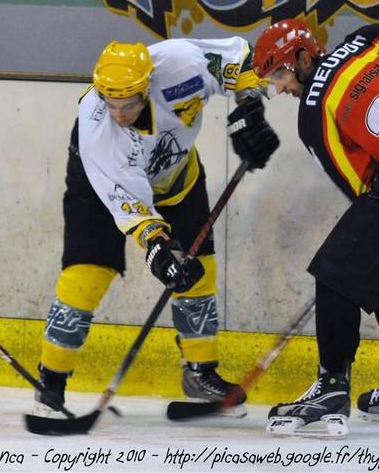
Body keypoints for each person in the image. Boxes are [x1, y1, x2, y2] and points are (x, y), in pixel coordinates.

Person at [31, 38, 279, 418]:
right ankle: (52, 382)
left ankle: (200, 373)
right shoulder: (97, 131)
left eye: (128, 104)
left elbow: (242, 59)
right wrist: (159, 248)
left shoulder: (182, 64)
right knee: (87, 274)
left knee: (198, 267)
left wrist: (250, 108)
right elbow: (131, 207)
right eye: (111, 103)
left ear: (147, 86)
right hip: (98, 185)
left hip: (178, 175)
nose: (119, 113)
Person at [255, 19, 379, 437]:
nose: (279, 88)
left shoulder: (312, 114)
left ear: (303, 57)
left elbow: (359, 184)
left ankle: (331, 386)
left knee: (336, 274)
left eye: (279, 74)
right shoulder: (371, 36)